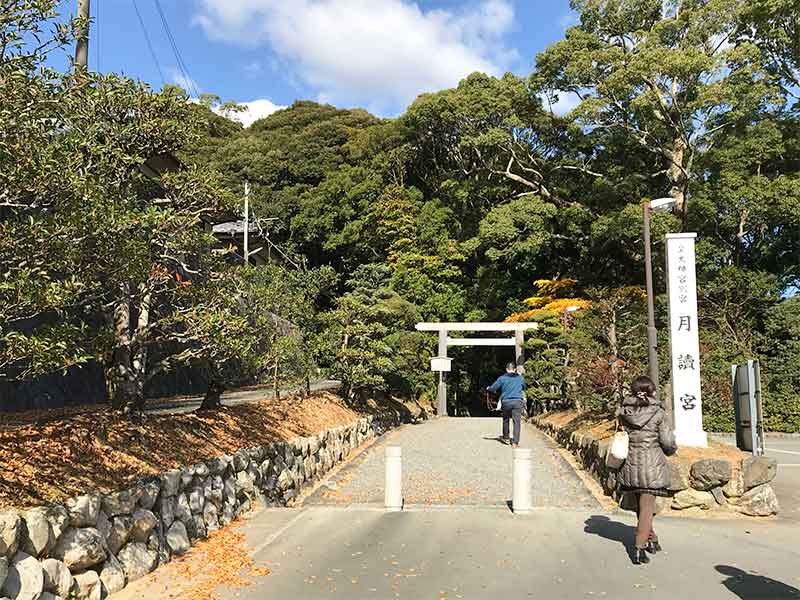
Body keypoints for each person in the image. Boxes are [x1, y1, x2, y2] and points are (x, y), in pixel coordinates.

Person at [617, 375, 677, 565]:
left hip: (630, 464)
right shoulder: (658, 413)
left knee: (641, 508)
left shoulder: (624, 412)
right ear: (651, 391)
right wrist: (671, 450)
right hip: (652, 465)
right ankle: (639, 548)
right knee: (647, 508)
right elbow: (667, 442)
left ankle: (652, 539)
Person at [487, 362, 526, 448]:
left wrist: (488, 388)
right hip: (517, 401)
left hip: (506, 402)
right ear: (515, 369)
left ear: (506, 369)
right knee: (517, 422)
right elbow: (524, 387)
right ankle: (515, 442)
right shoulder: (520, 378)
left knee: (506, 419)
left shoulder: (502, 378)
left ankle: (506, 437)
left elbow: (493, 388)